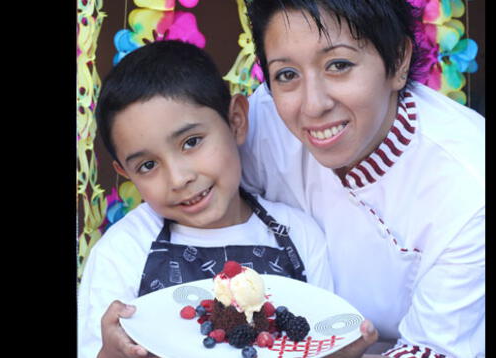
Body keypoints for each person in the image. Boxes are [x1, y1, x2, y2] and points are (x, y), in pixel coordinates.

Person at [241, 1, 485, 357]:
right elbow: (191, 198)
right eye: (287, 74)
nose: (312, 105)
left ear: (398, 61)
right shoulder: (265, 124)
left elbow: (435, 349)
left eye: (338, 65)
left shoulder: (468, 185)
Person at [77, 40, 344, 358]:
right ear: (125, 172)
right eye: (148, 165)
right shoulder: (123, 251)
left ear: (236, 122)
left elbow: (322, 339)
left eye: (191, 142)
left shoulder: (299, 235)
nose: (179, 178)